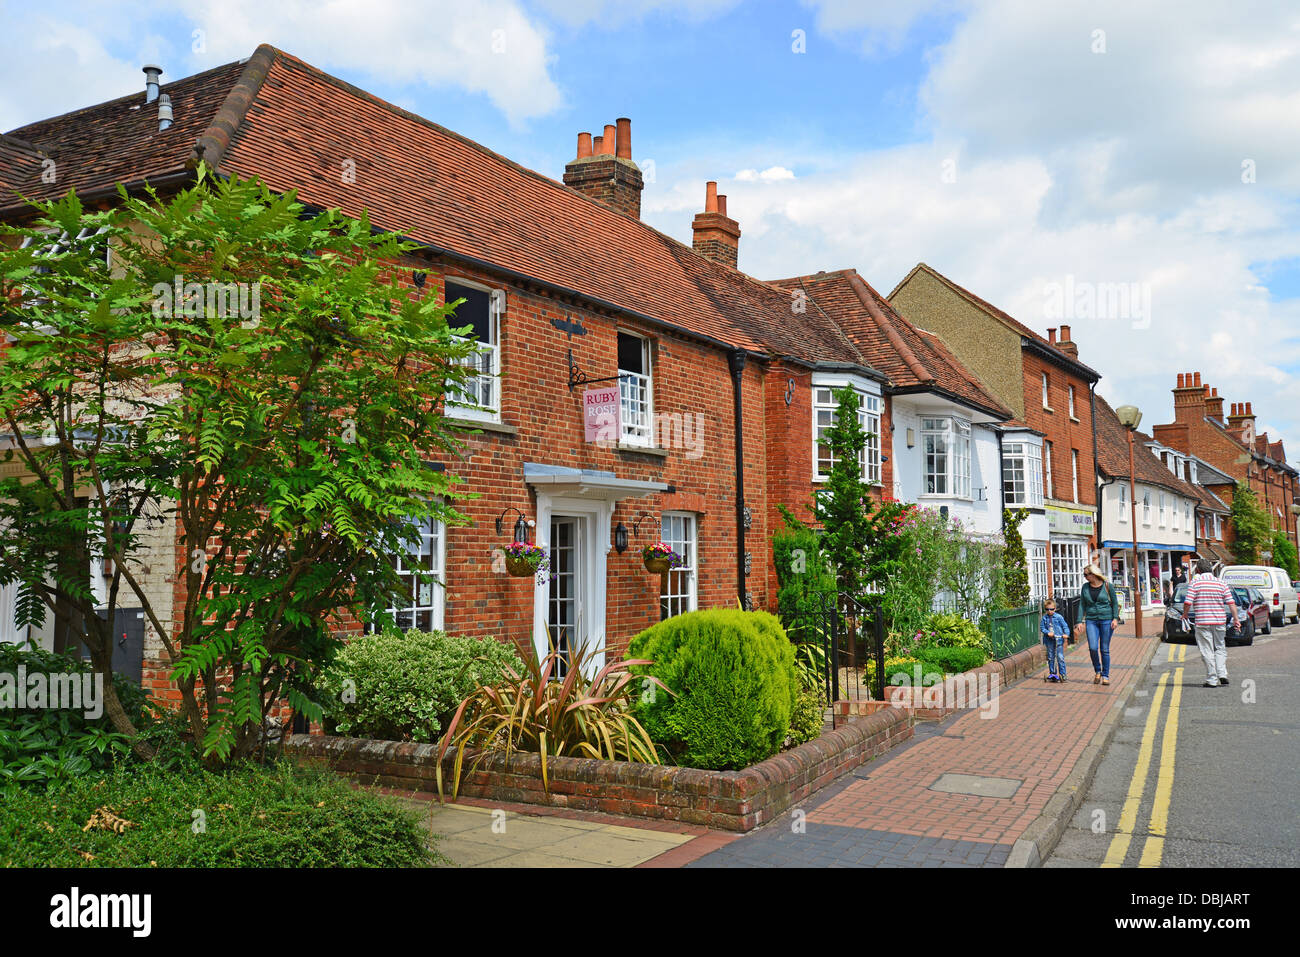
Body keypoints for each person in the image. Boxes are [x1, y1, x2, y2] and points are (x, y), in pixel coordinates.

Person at [1182, 557, 1237, 688]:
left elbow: (1188, 602)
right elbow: (1231, 603)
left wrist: (1184, 614)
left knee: (1207, 650)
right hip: (1219, 621)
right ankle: (1222, 673)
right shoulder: (1221, 583)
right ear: (1211, 570)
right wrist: (1236, 619)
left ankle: (1212, 679)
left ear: (1198, 570)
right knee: (1220, 647)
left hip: (1203, 622)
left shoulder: (1195, 584)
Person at [1080, 563, 1121, 686]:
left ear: (1094, 574)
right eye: (1084, 575)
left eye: (1087, 574)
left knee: (1104, 649)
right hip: (1091, 620)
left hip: (1106, 620)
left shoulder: (1108, 586)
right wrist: (1078, 621)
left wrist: (1115, 618)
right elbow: (1082, 605)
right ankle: (1097, 670)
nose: (1085, 577)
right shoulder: (1085, 587)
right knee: (1093, 647)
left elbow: (1114, 603)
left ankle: (1105, 675)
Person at [1040, 599, 1069, 682]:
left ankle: (1063, 674)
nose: (1049, 611)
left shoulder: (1059, 617)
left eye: (1051, 609)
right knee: (1050, 657)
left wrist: (1066, 634)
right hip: (1049, 640)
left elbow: (1065, 626)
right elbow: (1042, 627)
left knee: (1060, 657)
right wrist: (1047, 632)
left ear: (1055, 609)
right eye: (1047, 609)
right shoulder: (1044, 618)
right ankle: (1053, 673)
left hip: (1058, 640)